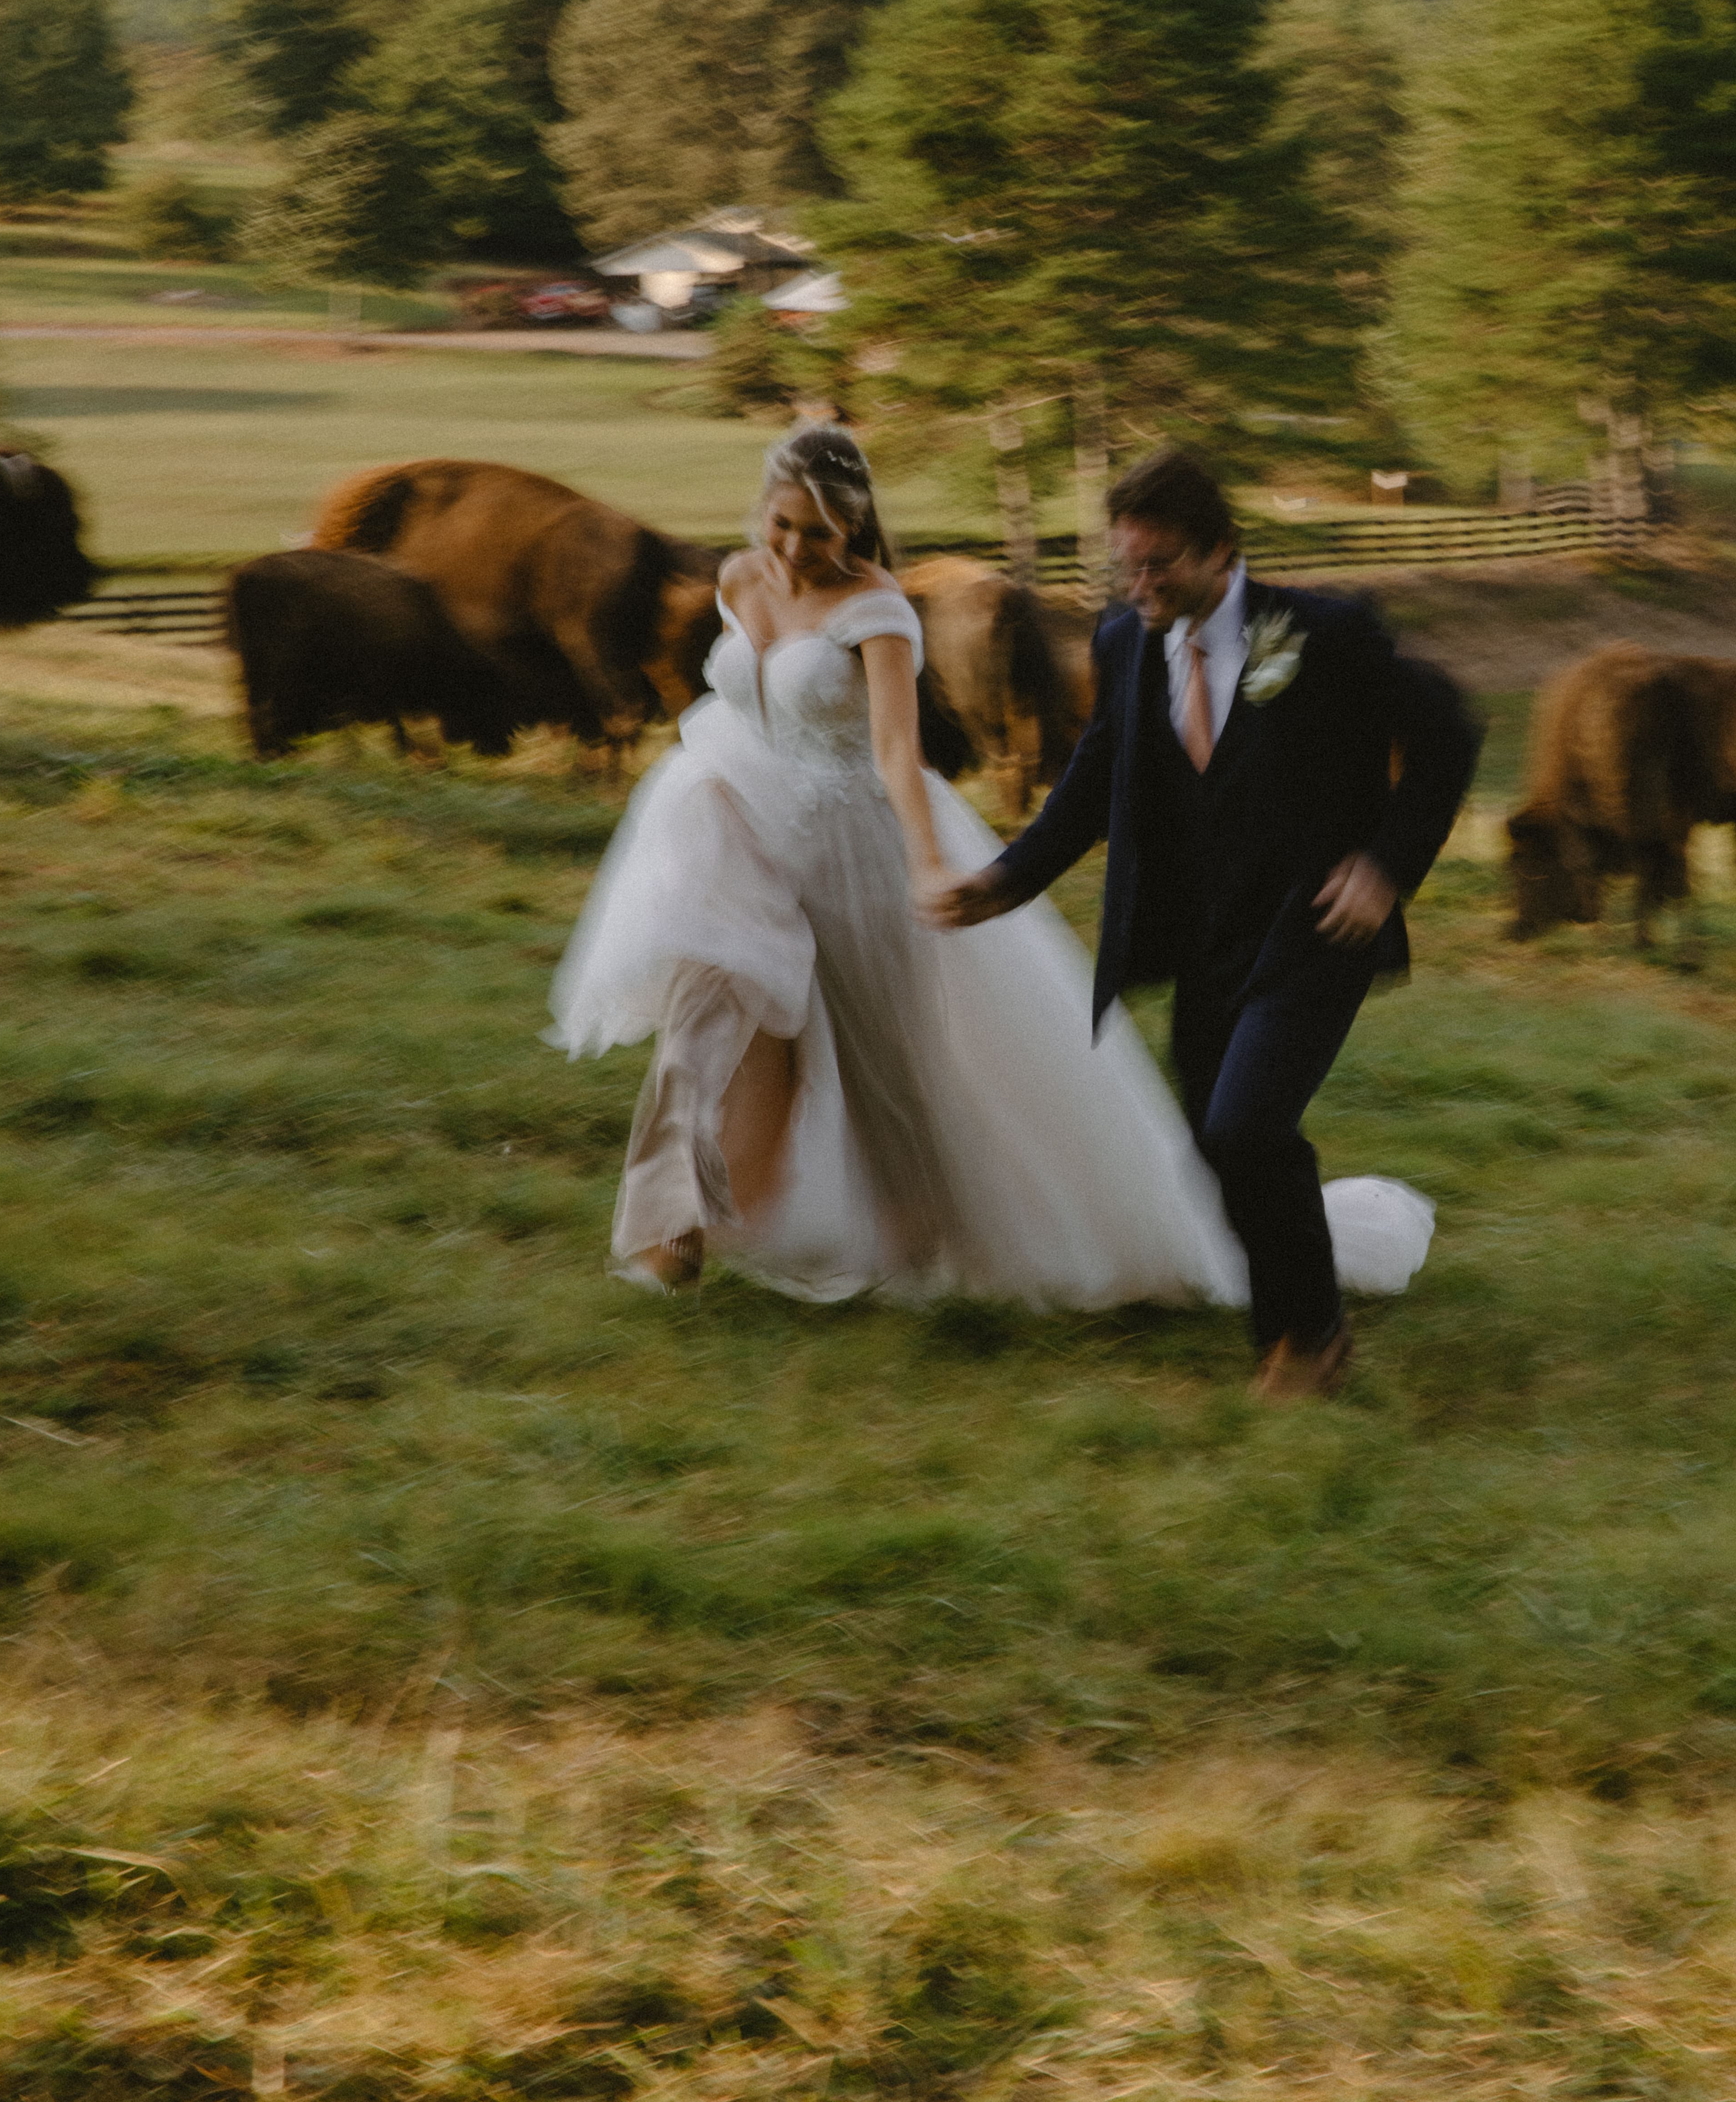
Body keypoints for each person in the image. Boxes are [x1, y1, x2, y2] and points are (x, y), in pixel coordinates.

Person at [549, 425, 1243, 1314]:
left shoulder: (877, 609)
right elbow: (735, 692)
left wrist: (925, 863)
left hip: (849, 846)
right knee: (703, 1021)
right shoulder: (736, 577)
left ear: (854, 529)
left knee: (882, 1061)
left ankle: (920, 1238)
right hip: (738, 838)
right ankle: (672, 1230)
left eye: (819, 533)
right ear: (762, 509)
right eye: (782, 524)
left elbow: (892, 749)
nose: (796, 548)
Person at [929, 448, 1481, 1402]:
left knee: (1246, 1127)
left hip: (1312, 931)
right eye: (1127, 566)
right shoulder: (1122, 643)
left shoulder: (1322, 633)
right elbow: (1099, 774)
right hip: (1197, 941)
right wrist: (1005, 878)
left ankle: (1309, 1341)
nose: (1140, 585)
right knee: (1214, 1144)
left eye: (1161, 564)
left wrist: (1385, 869)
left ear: (1222, 551)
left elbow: (1447, 734)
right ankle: (1294, 1328)